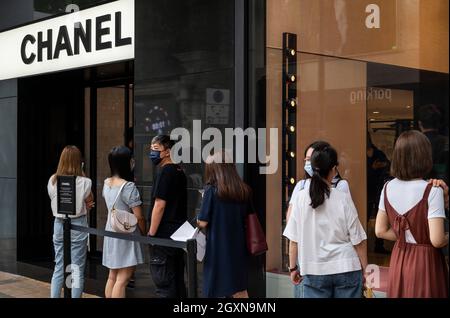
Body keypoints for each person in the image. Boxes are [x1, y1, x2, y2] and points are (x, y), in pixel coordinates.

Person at [284, 146, 368, 298]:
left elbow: (293, 241)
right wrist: (365, 269)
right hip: (346, 267)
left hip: (314, 270)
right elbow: (358, 240)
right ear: (333, 169)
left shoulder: (300, 198)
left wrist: (292, 268)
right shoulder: (342, 198)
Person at [375, 130, 449, 298]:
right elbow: (437, 240)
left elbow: (380, 231)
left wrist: (405, 236)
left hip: (399, 256)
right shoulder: (432, 190)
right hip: (426, 262)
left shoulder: (387, 187)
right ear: (425, 156)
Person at [197, 150, 251, 298]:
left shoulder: (211, 190)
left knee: (215, 288)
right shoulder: (242, 189)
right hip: (239, 246)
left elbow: (202, 222)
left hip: (218, 247)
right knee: (239, 288)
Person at [47, 145, 94, 298]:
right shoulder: (85, 182)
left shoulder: (53, 180)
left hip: (58, 224)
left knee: (59, 266)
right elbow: (89, 200)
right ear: (79, 161)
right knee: (76, 268)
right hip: (78, 224)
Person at [102, 146, 146, 298]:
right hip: (126, 234)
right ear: (125, 162)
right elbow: (139, 216)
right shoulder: (128, 186)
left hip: (110, 231)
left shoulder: (107, 182)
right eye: (131, 159)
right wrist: (145, 233)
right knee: (123, 278)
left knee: (112, 276)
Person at [148, 135, 188, 298]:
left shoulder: (165, 172)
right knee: (177, 281)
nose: (152, 152)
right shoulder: (179, 171)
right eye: (150, 149)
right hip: (178, 233)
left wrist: (151, 233)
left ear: (167, 152)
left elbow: (160, 205)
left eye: (156, 149)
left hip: (163, 235)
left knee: (164, 284)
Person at [367, 133, 391, 254]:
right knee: (363, 217)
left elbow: (388, 164)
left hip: (378, 190)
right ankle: (363, 244)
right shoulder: (359, 152)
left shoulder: (378, 153)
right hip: (365, 189)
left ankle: (379, 245)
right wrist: (372, 168)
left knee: (379, 218)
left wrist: (381, 165)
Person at [418, 104, 449, 183]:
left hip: (421, 186)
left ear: (420, 124)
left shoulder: (415, 142)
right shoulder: (446, 141)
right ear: (438, 124)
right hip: (444, 185)